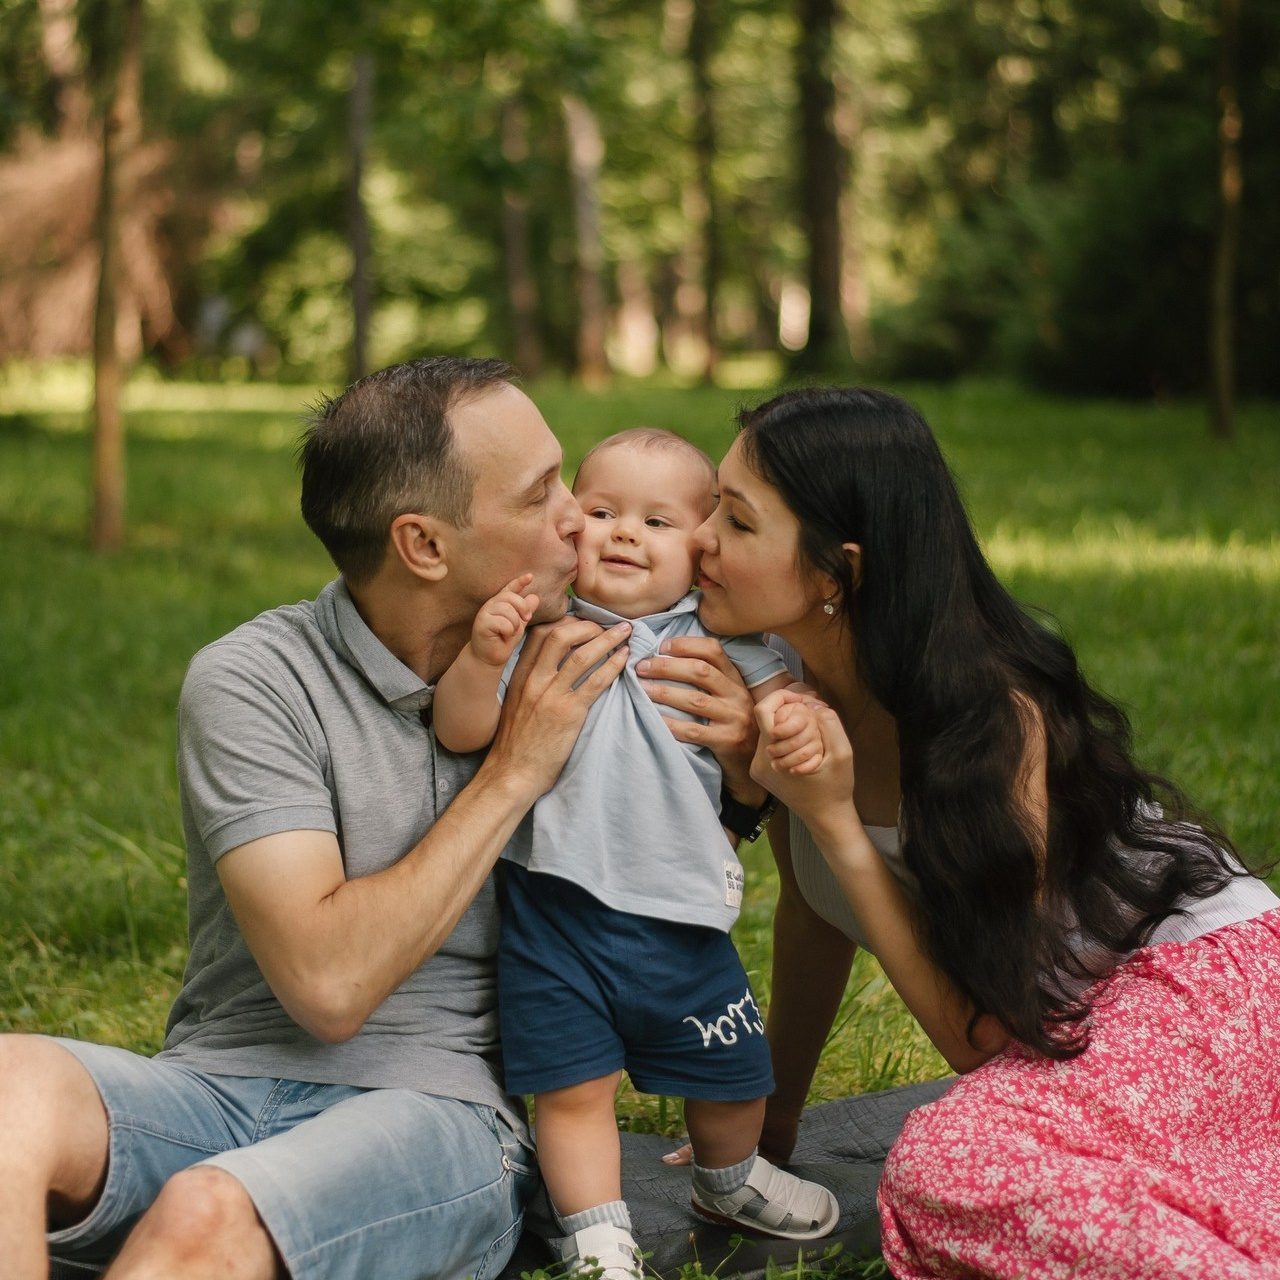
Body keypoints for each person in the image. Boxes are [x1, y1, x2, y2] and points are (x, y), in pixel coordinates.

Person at [0, 356, 651, 1280]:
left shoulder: (585, 655)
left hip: (437, 1113)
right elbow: (329, 983)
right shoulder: (255, 680)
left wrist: (757, 769)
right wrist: (512, 772)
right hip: (215, 1091)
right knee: (11, 1086)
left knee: (207, 1212)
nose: (579, 516)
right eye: (540, 493)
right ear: (423, 546)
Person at [655, 385, 1280, 1279]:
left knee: (948, 1160)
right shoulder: (782, 675)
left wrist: (832, 816)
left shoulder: (992, 720)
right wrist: (773, 1124)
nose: (700, 538)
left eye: (738, 520)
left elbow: (981, 1038)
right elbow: (812, 915)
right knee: (966, 1161)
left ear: (838, 572)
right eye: (715, 504)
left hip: (1198, 985)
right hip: (1081, 1028)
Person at [432, 428, 839, 1279]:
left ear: (701, 554)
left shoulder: (726, 645)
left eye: (657, 522)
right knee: (573, 1091)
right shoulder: (542, 630)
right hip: (553, 915)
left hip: (682, 914)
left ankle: (729, 1178)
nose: (623, 533)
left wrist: (791, 718)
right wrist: (482, 656)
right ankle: (596, 1236)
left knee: (733, 1074)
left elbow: (781, 709)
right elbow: (461, 730)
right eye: (602, 511)